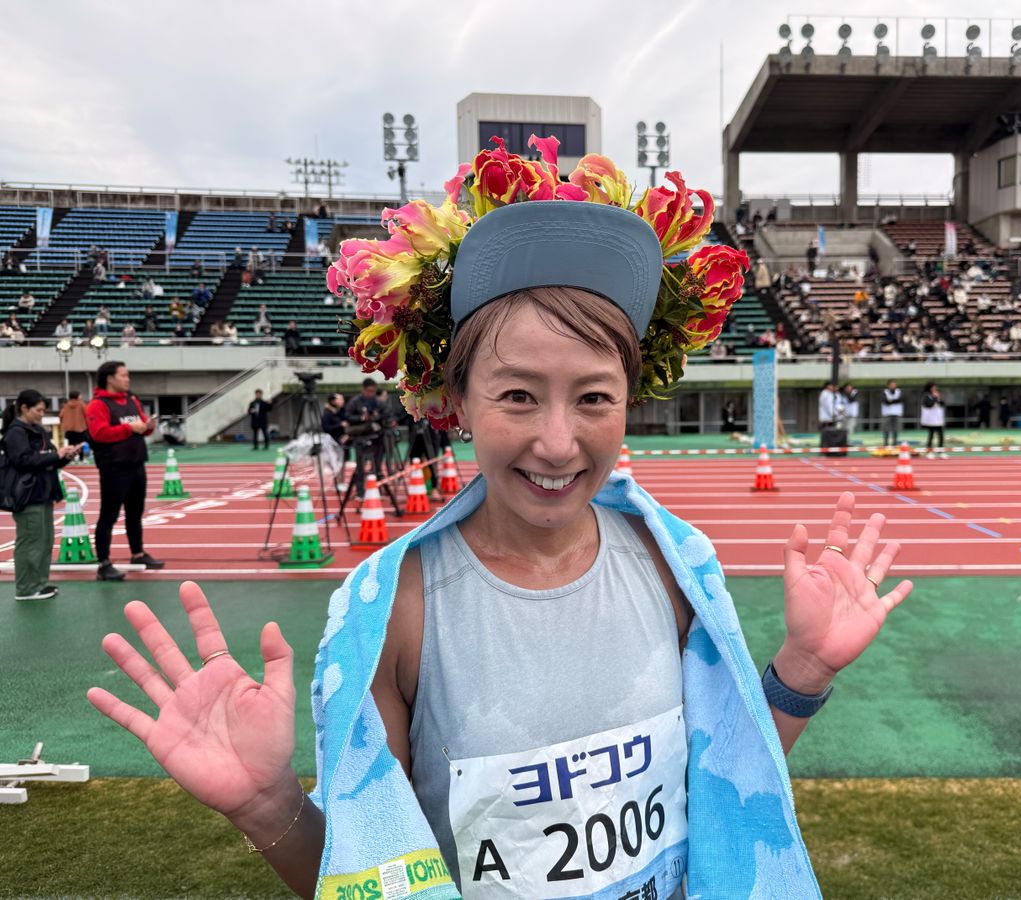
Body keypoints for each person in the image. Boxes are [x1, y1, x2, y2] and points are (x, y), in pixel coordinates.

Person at [87, 144, 912, 898]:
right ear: (455, 401)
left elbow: (726, 794)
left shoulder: (672, 567)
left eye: (594, 397)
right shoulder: (399, 609)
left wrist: (802, 670)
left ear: (631, 401)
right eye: (517, 395)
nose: (557, 442)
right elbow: (378, 873)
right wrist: (268, 805)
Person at [86, 360, 165, 581]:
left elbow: (140, 427)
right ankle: (104, 563)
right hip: (114, 467)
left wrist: (146, 427)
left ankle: (137, 554)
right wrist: (129, 428)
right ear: (109, 378)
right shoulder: (98, 405)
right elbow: (99, 433)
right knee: (108, 516)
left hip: (136, 463)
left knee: (135, 513)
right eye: (123, 375)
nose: (127, 379)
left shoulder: (131, 399)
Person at [2, 390, 78, 601]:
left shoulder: (36, 430)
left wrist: (65, 456)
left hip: (43, 492)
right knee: (30, 541)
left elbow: (48, 459)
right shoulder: (16, 432)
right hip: (28, 496)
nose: (41, 414)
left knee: (44, 541)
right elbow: (23, 460)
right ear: (24, 408)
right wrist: (55, 455)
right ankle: (26, 588)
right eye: (38, 410)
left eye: (44, 410)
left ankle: (39, 583)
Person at [921, 381, 946, 458]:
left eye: (935, 387)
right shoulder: (926, 396)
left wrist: (939, 399)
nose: (934, 388)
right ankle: (929, 452)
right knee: (931, 435)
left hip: (938, 419)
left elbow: (942, 404)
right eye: (933, 387)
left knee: (941, 435)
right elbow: (929, 405)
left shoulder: (937, 394)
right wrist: (935, 398)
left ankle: (940, 452)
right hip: (930, 420)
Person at [881, 380, 903, 447]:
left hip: (896, 413)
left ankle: (894, 444)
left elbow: (901, 400)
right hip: (887, 414)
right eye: (891, 384)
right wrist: (894, 401)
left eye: (894, 384)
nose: (893, 386)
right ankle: (886, 444)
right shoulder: (885, 392)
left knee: (896, 429)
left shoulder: (899, 391)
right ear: (888, 385)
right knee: (886, 429)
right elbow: (885, 401)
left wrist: (891, 401)